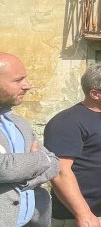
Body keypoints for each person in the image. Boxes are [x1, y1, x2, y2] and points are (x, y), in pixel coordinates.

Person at [45, 63, 101, 227]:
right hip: (85, 216)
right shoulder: (67, 122)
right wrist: (83, 214)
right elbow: (60, 172)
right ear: (94, 94)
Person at [0, 53, 59, 227]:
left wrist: (25, 177)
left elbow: (55, 163)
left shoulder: (19, 123)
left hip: (32, 221)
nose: (27, 86)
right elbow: (4, 168)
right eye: (18, 80)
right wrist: (40, 159)